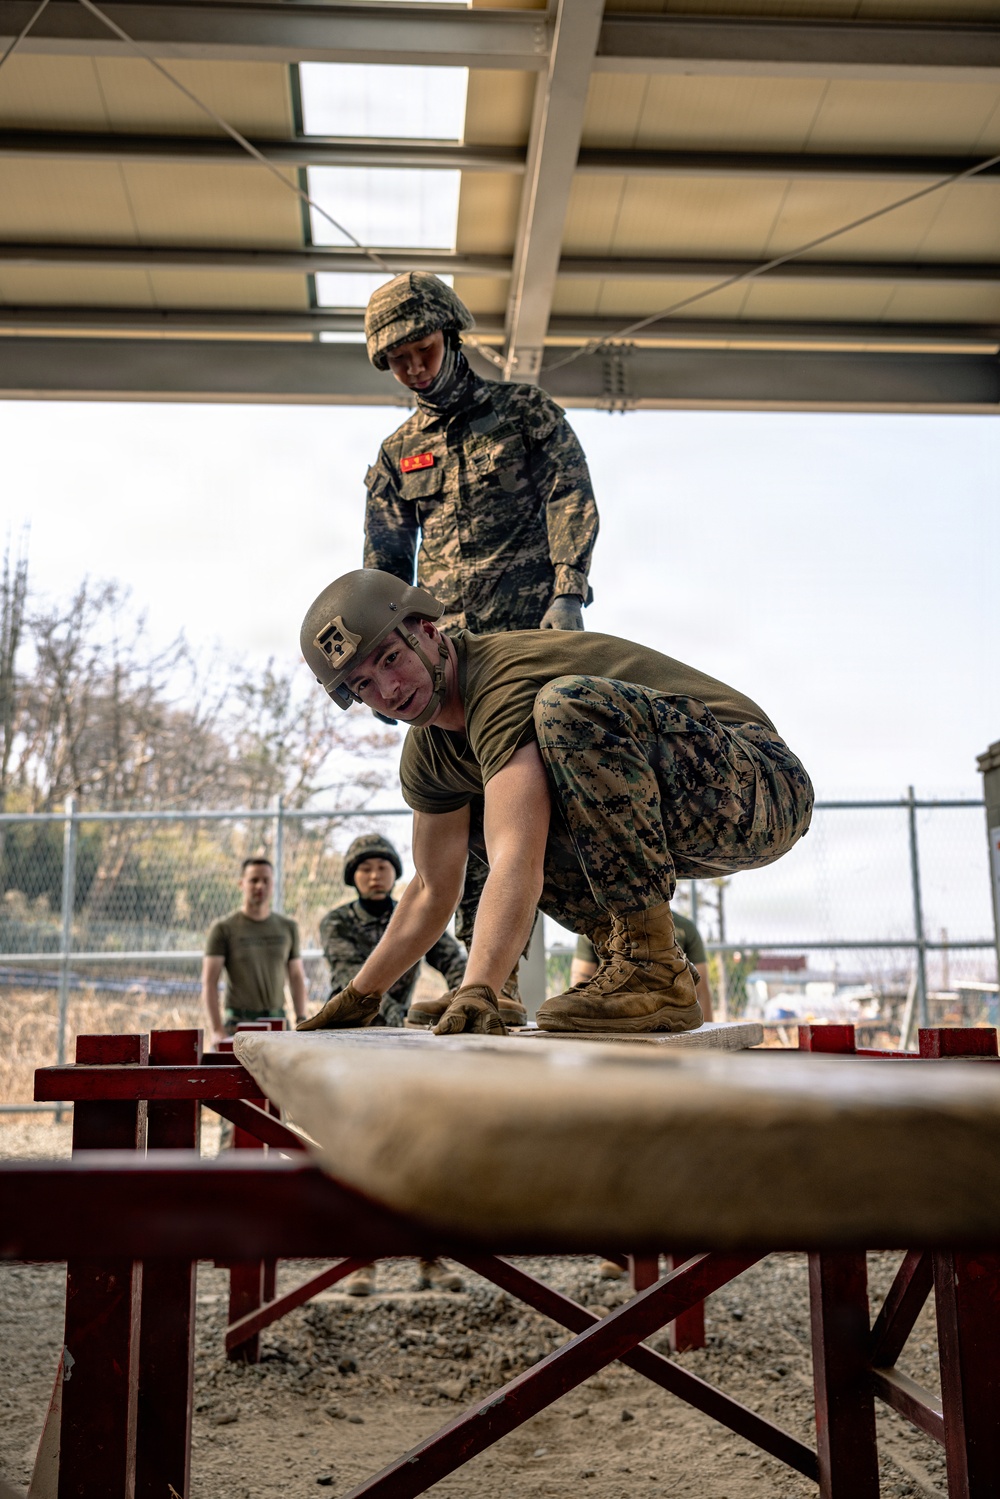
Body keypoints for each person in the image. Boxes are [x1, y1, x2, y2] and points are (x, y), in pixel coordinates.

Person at [296, 571, 813, 1037]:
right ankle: (624, 957)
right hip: (683, 814)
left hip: (760, 785)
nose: (388, 689)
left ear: (428, 631)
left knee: (564, 709)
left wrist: (477, 987)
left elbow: (516, 855)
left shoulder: (496, 681)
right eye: (364, 684)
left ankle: (651, 965)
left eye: (391, 658)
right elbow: (432, 888)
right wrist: (362, 995)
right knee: (485, 808)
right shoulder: (429, 752)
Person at [361, 273, 600, 993]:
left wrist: (568, 591)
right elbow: (383, 567)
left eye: (423, 349)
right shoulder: (397, 454)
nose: (413, 367)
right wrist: (380, 667)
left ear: (452, 334)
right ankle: (488, 984)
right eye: (397, 359)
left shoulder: (524, 412)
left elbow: (570, 494)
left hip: (525, 649)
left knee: (551, 808)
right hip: (443, 666)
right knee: (457, 820)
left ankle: (610, 956)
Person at [319, 830, 468, 1296]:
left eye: (382, 866)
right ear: (352, 876)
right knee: (362, 1154)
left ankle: (429, 1259)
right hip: (354, 1044)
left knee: (420, 1150)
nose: (374, 875)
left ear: (395, 873)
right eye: (365, 868)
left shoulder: (417, 916)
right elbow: (354, 982)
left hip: (401, 1045)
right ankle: (362, 1261)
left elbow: (456, 960)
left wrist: (464, 996)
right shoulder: (336, 922)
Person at [202, 857, 307, 1047]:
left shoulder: (288, 927)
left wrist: (301, 1019)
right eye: (254, 880)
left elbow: (296, 976)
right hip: (238, 1025)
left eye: (266, 880)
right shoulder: (224, 928)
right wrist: (217, 1029)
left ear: (273, 884)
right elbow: (209, 982)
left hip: (278, 1023)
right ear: (241, 884)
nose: (260, 886)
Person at [570, 914, 714, 1021]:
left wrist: (706, 1037)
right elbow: (580, 978)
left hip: (663, 1003)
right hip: (613, 1002)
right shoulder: (595, 928)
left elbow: (700, 987)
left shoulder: (685, 927)